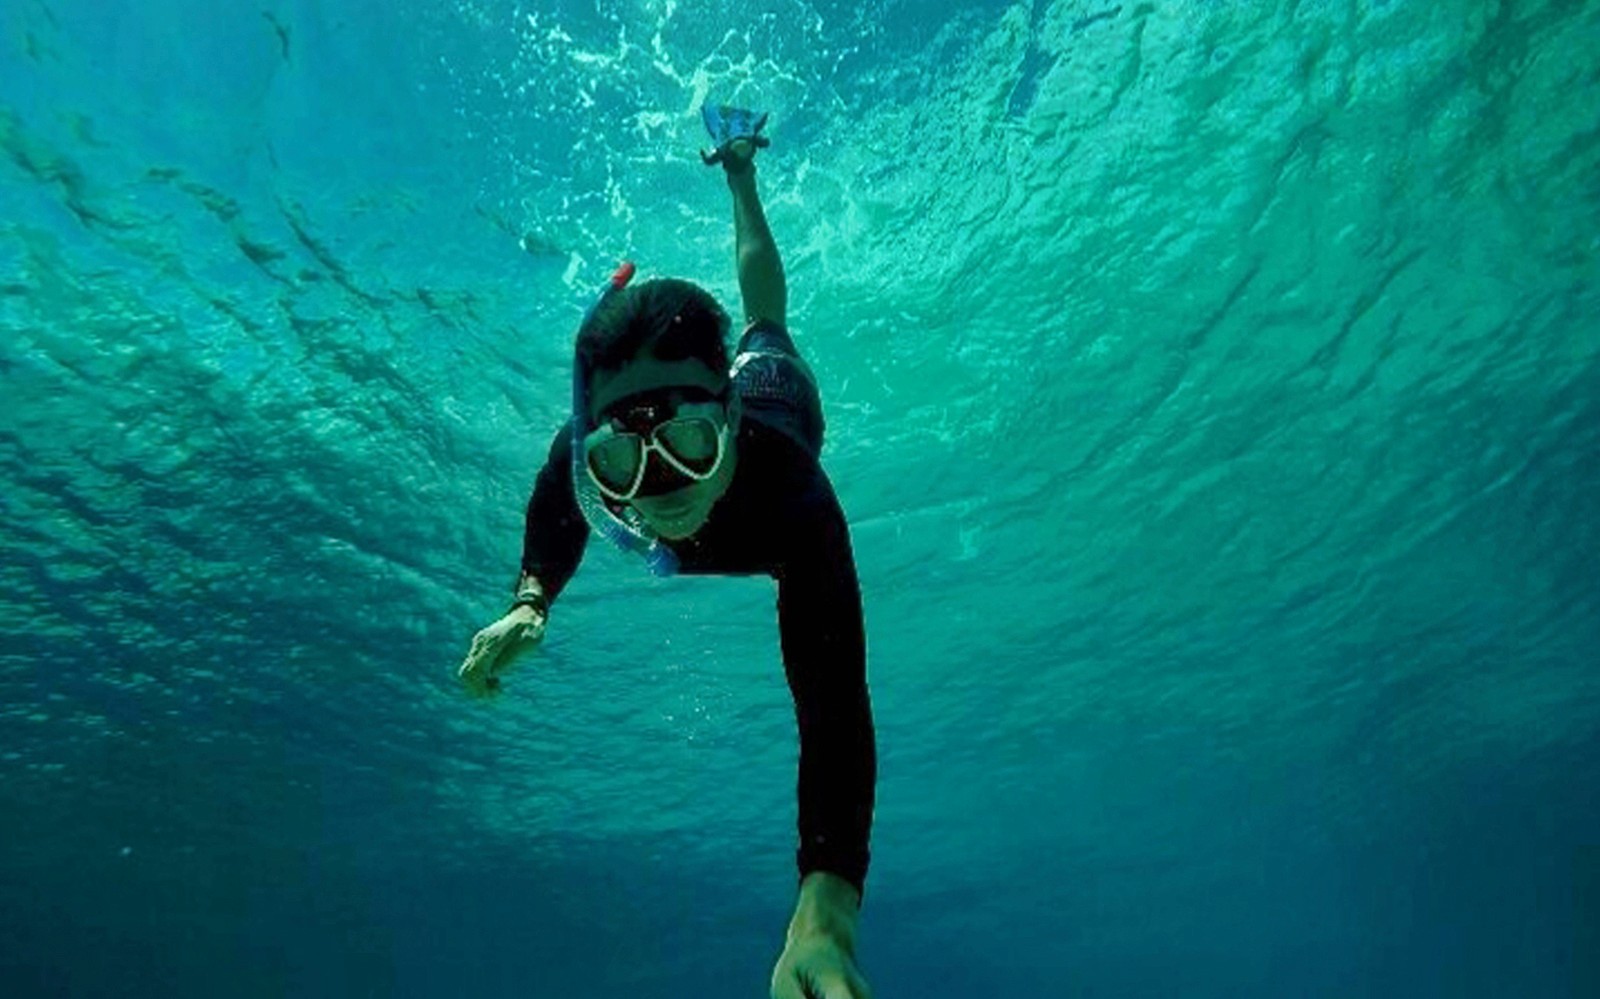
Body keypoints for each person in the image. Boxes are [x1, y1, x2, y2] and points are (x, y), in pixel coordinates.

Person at [457, 109, 877, 999]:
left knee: (767, 321)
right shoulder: (577, 462)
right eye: (621, 459)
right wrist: (531, 599)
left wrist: (825, 914)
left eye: (687, 440)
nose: (659, 488)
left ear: (725, 417)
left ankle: (740, 174)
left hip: (781, 393)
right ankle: (736, 178)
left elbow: (833, 706)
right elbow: (557, 506)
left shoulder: (796, 499)